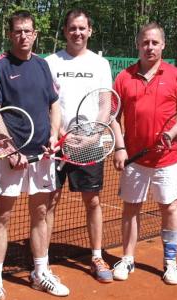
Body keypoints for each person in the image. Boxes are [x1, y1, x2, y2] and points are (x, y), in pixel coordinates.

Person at [0, 10, 69, 300]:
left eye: (27, 31)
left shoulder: (43, 66)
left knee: (40, 214)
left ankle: (40, 272)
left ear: (35, 34)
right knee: (3, 217)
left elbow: (54, 105)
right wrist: (9, 148)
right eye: (17, 31)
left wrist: (54, 136)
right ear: (10, 34)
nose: (23, 36)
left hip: (42, 156)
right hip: (11, 157)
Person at [112, 22, 177, 285]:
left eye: (154, 42)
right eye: (145, 42)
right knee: (131, 209)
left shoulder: (176, 76)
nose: (149, 47)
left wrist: (171, 134)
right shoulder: (124, 77)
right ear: (138, 45)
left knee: (169, 208)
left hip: (166, 159)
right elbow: (114, 117)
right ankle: (127, 258)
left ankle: (171, 262)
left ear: (163, 45)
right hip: (134, 160)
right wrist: (120, 147)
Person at [45, 9, 125, 283]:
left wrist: (93, 135)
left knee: (92, 201)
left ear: (90, 31)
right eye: (72, 28)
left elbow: (106, 104)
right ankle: (42, 263)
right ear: (65, 31)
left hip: (89, 145)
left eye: (82, 28)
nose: (77, 32)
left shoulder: (101, 65)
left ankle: (96, 255)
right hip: (57, 144)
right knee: (49, 202)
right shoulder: (50, 63)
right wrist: (61, 133)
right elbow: (46, 104)